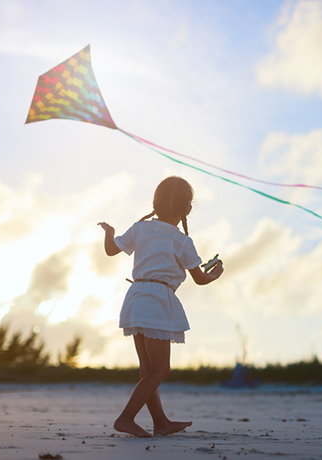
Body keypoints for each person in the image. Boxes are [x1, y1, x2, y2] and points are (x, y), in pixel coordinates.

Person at [98, 176, 224, 437]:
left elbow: (111, 250)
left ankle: (161, 423)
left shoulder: (140, 228)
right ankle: (126, 418)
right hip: (157, 302)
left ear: (154, 203)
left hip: (135, 296)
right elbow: (199, 278)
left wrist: (110, 232)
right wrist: (216, 274)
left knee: (148, 369)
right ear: (187, 209)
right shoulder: (182, 242)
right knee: (160, 370)